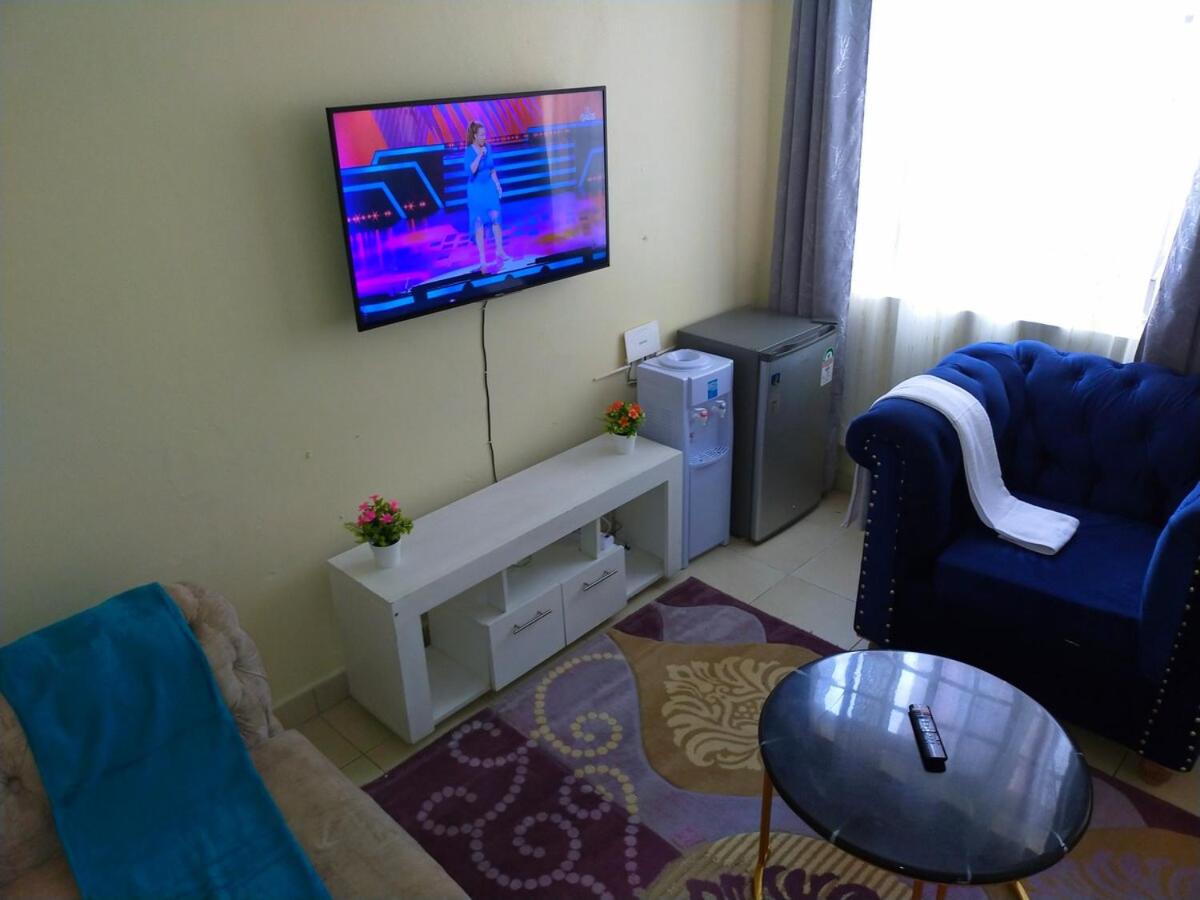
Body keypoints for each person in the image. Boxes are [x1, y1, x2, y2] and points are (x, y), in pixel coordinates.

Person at [463, 121, 510, 272]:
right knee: (479, 224)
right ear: (475, 136)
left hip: (489, 188)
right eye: (482, 135)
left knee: (496, 218)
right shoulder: (469, 151)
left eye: (485, 134)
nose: (485, 137)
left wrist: (498, 184)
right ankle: (483, 259)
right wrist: (479, 156)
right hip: (476, 190)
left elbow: (491, 168)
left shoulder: (488, 148)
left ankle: (500, 250)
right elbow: (470, 171)